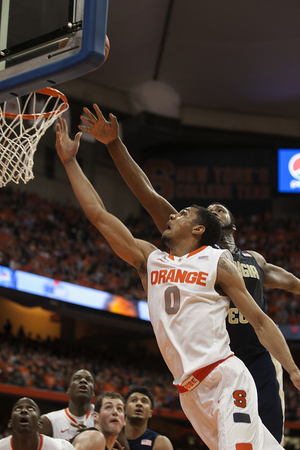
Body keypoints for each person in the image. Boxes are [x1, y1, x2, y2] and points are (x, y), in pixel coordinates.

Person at [55, 116, 300, 449]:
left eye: (183, 213)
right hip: (189, 390)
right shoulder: (150, 259)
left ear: (201, 229)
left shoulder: (222, 261)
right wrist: (71, 161)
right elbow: (100, 214)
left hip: (230, 372)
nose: (173, 216)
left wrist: (293, 370)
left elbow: (260, 319)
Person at [40, 369, 95, 441]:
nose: (83, 381)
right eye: (77, 378)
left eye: (88, 380)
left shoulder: (103, 417)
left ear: (93, 393)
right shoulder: (49, 421)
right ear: (68, 390)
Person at [0, 397, 74, 450]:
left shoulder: (61, 447)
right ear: (10, 423)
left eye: (31, 408)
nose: (24, 411)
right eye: (18, 408)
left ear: (40, 423)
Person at [124, 386, 173, 450]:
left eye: (144, 401)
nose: (139, 404)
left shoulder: (161, 443)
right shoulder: (110, 436)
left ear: (150, 413)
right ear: (124, 409)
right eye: (134, 400)